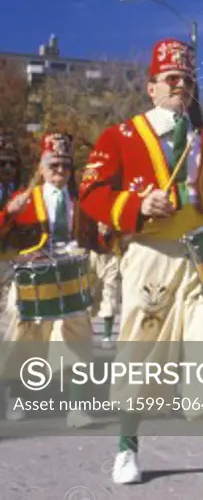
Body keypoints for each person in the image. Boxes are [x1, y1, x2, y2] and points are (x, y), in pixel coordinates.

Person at [78, 38, 203, 496]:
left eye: (188, 80)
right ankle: (127, 445)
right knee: (141, 354)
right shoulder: (120, 137)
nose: (181, 86)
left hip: (201, 255)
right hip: (150, 253)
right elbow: (92, 195)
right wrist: (136, 205)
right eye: (172, 79)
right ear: (152, 87)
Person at [0, 132, 95, 429]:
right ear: (41, 168)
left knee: (76, 330)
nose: (60, 172)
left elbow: (98, 236)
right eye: (54, 165)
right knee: (23, 329)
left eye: (66, 166)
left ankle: (77, 404)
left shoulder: (81, 199)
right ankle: (15, 394)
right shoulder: (23, 198)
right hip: (32, 271)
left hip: (71, 272)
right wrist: (6, 215)